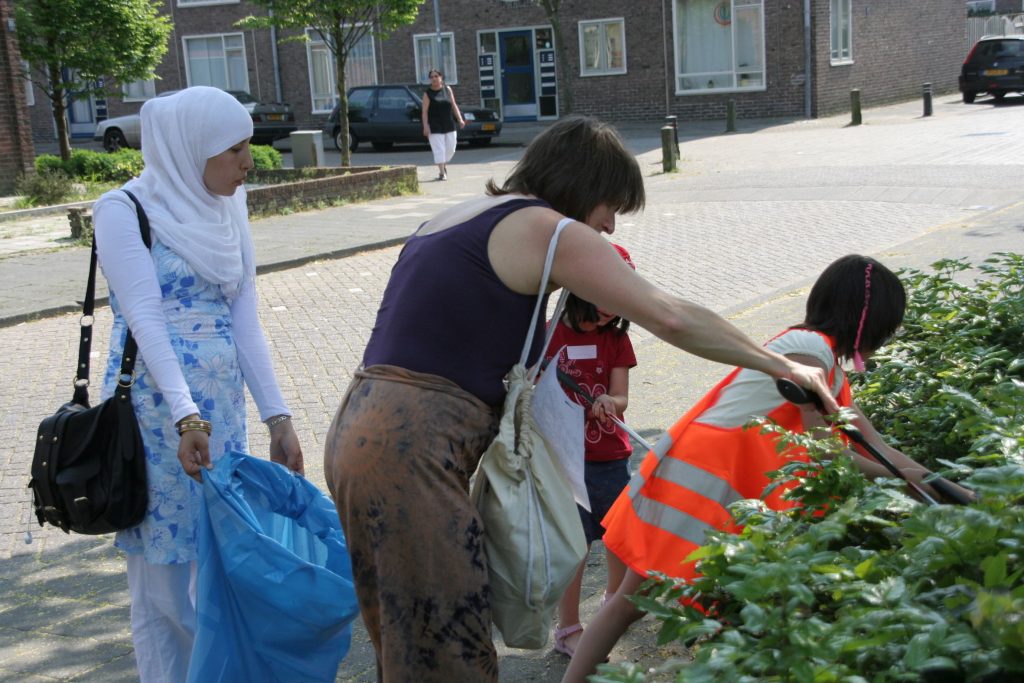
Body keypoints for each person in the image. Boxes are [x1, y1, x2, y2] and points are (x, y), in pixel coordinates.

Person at [323, 115, 838, 683]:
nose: (611, 227)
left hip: (363, 425)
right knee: (448, 647)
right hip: (413, 442)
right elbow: (670, 315)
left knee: (406, 636)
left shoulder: (452, 218)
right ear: (582, 185)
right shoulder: (549, 229)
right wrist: (780, 364)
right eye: (610, 206)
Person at [562, 254, 976, 682]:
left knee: (646, 600)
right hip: (708, 477)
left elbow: (871, 441)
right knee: (634, 599)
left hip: (721, 476)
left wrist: (946, 487)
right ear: (865, 320)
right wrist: (907, 481)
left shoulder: (823, 360)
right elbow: (824, 449)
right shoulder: (810, 353)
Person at [91, 86, 304, 682]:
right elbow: (144, 315)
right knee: (162, 580)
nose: (248, 162)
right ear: (192, 150)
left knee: (217, 559)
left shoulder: (227, 206)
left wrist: (277, 416)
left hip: (221, 408)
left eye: (248, 146)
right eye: (234, 149)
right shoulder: (123, 208)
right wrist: (186, 414)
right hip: (158, 411)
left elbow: (244, 315)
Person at [544, 244, 638, 658]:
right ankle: (568, 629)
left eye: (618, 298)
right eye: (603, 294)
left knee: (618, 537)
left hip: (610, 457)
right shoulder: (549, 335)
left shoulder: (616, 340)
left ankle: (610, 610)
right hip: (565, 460)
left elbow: (621, 398)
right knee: (574, 545)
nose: (608, 308)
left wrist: (609, 405)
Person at [421, 69, 465, 181]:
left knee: (451, 148)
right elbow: (424, 111)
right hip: (434, 125)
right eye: (432, 77)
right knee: (439, 149)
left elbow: (454, 105)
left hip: (448, 123)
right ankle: (442, 173)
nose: (434, 79)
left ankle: (443, 165)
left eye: (436, 76)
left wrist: (460, 119)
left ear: (441, 77)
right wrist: (425, 126)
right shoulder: (427, 94)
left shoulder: (447, 89)